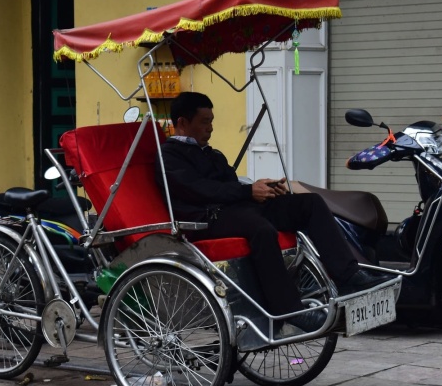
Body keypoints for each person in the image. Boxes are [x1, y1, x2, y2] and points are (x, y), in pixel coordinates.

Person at [155, 92, 394, 334]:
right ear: (183, 122)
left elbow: (230, 186)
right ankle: (289, 309)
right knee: (261, 229)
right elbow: (200, 190)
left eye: (211, 121)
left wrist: (263, 188)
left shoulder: (211, 153)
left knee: (310, 203)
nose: (211, 128)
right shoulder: (169, 156)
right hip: (206, 219)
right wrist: (248, 191)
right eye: (204, 122)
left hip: (236, 209)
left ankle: (348, 275)